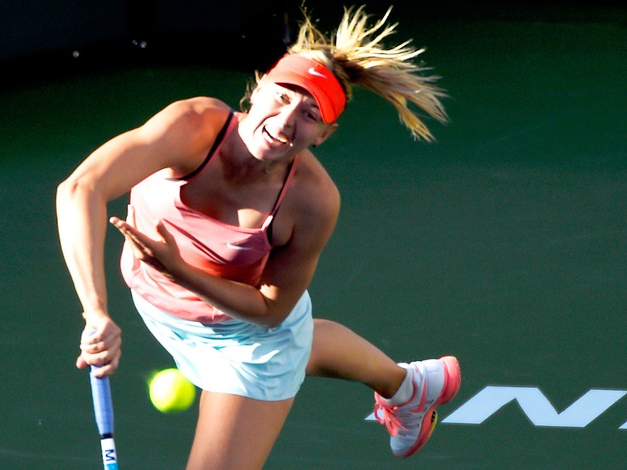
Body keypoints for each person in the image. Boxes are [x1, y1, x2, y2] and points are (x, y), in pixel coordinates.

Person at [56, 5, 461, 469]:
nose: (288, 119)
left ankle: (408, 387)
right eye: (283, 95)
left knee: (288, 345)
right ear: (257, 87)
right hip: (158, 307)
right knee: (302, 342)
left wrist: (180, 271)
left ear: (326, 135)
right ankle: (411, 387)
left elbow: (271, 312)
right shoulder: (193, 126)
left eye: (310, 114)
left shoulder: (312, 202)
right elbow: (81, 188)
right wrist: (96, 312)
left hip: (248, 341)